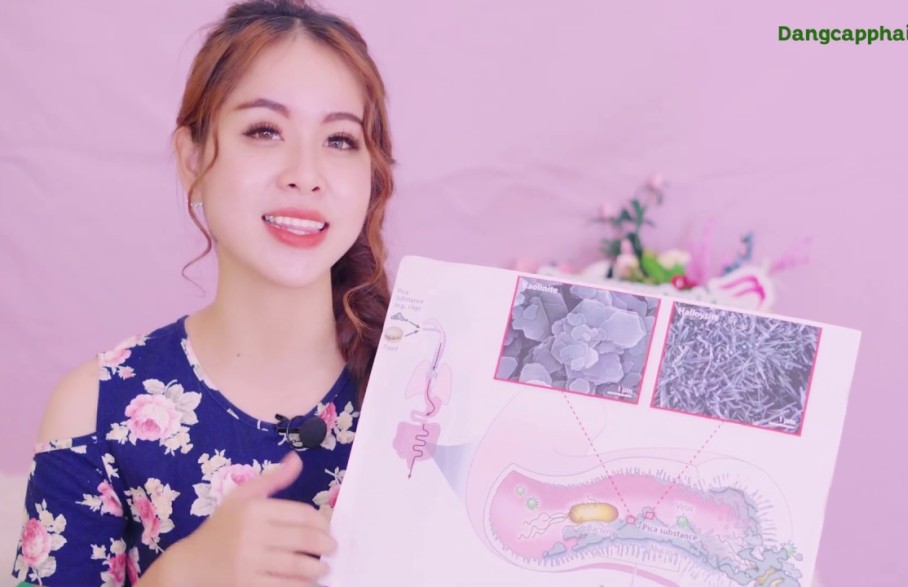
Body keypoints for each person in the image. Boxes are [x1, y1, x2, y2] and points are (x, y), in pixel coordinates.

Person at [11, 0, 394, 585]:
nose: (306, 173)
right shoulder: (96, 408)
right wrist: (184, 574)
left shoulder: (428, 392)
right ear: (192, 159)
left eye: (340, 140)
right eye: (265, 131)